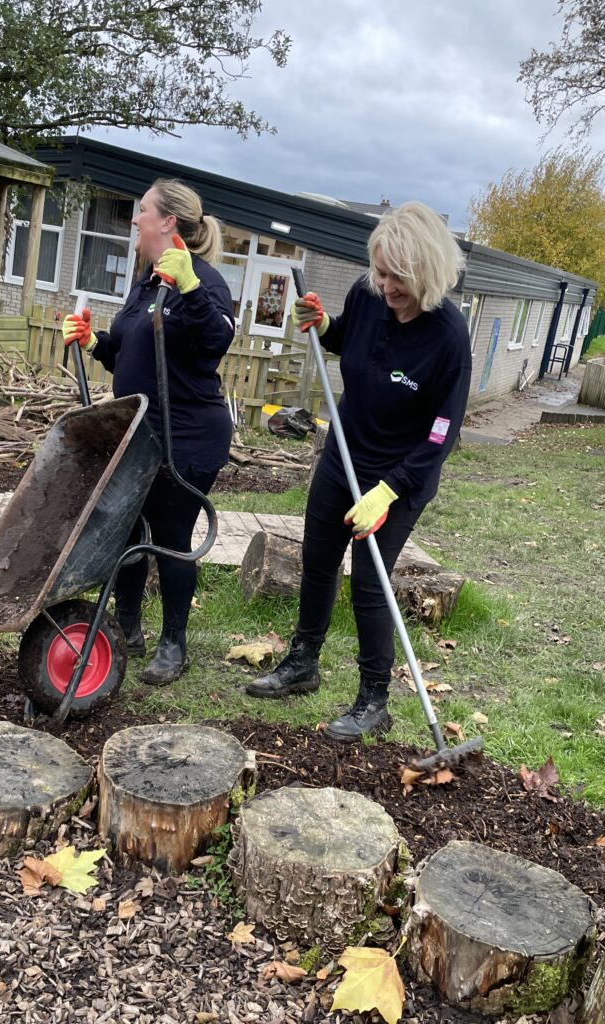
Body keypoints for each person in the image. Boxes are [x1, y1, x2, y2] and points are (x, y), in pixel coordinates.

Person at [246, 201, 471, 742]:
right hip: (342, 454)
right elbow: (347, 338)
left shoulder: (449, 338)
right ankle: (303, 662)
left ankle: (374, 699)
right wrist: (322, 325)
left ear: (426, 273)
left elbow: (443, 435)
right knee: (317, 560)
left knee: (371, 583)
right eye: (380, 272)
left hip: (401, 475)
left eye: (398, 277)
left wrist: (389, 492)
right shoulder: (367, 295)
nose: (386, 286)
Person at [62, 179, 235, 685]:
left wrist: (191, 287)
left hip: (188, 437)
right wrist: (95, 342)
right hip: (140, 435)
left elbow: (214, 341)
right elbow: (129, 350)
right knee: (128, 530)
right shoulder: (147, 280)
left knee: (172, 537)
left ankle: (174, 644)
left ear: (168, 222)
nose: (134, 221)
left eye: (142, 212)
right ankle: (129, 629)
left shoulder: (202, 279)